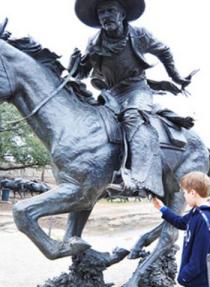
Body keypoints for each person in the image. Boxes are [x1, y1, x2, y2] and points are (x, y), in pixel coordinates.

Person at [72, 0, 191, 198]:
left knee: (133, 117)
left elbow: (164, 51)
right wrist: (75, 67)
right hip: (111, 94)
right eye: (101, 12)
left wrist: (176, 76)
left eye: (111, 10)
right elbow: (82, 72)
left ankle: (141, 179)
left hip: (137, 90)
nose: (105, 15)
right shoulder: (94, 43)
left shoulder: (139, 34)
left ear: (122, 14)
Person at [151, 171, 210, 287]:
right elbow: (181, 222)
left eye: (184, 192)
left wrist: (183, 277)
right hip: (197, 282)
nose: (184, 196)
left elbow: (200, 260)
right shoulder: (196, 213)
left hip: (204, 284)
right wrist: (162, 208)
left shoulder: (205, 219)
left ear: (193, 193)